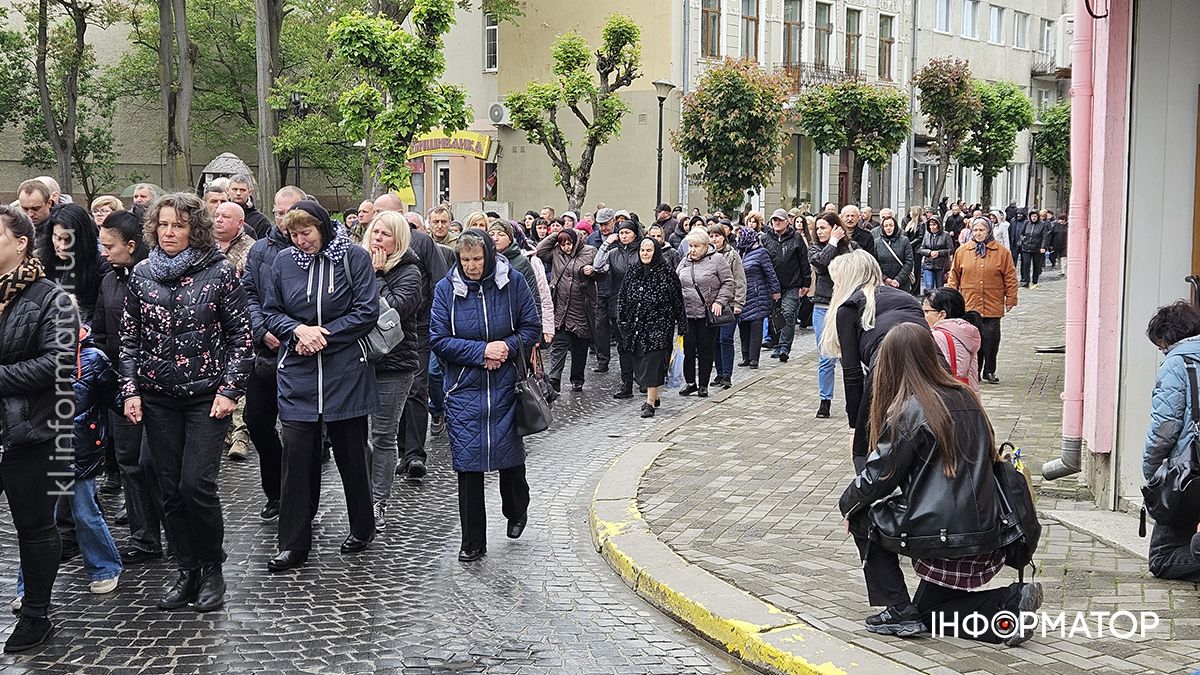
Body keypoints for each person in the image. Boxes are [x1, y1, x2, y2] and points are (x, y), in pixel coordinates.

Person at [839, 323, 1044, 645]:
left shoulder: (908, 410)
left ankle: (897, 610)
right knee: (928, 614)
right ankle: (1007, 605)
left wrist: (847, 506)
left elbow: (877, 478)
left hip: (945, 539)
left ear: (889, 364)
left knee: (864, 519)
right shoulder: (965, 395)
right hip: (987, 531)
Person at [119, 192, 253, 612]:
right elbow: (128, 339)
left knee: (197, 485)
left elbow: (241, 339)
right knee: (169, 490)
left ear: (193, 228)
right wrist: (130, 390)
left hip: (205, 397)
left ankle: (213, 568)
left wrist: (230, 390)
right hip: (158, 398)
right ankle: (187, 569)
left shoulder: (219, 273)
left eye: (177, 225)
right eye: (162, 225)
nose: (169, 232)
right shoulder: (141, 274)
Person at [262, 201, 380, 572]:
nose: (301, 241)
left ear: (322, 228)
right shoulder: (282, 262)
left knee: (350, 453)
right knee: (296, 456)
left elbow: (366, 310)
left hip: (344, 369)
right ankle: (293, 543)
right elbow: (269, 310)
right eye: (293, 235)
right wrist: (297, 330)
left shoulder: (354, 258)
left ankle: (362, 524)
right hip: (298, 369)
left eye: (306, 234)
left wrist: (323, 335)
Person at [429, 230, 540, 562]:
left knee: (510, 457)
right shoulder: (446, 289)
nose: (472, 266)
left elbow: (531, 327)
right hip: (464, 386)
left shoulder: (514, 282)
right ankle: (472, 540)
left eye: (477, 259)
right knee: (468, 467)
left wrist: (505, 347)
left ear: (489, 256)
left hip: (507, 384)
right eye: (465, 260)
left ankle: (516, 508)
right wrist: (480, 352)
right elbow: (438, 338)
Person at [0, 205, 78, 652]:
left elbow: (59, 364)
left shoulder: (53, 298)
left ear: (22, 242)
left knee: (33, 528)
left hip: (31, 430)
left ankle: (35, 615)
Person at [95, 211, 162, 565]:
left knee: (157, 464)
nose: (104, 252)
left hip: (157, 385)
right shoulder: (109, 278)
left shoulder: (155, 279)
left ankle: (178, 532)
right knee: (129, 461)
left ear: (131, 246)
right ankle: (145, 537)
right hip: (121, 385)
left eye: (110, 246)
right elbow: (102, 331)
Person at [820, 250, 925, 472]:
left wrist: (854, 429)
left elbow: (852, 375)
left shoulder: (849, 307)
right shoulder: (907, 297)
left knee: (866, 454)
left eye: (836, 282)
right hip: (929, 361)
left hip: (885, 363)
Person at [240, 186, 306, 523]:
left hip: (300, 354)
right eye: (278, 212)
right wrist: (260, 330)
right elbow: (248, 293)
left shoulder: (311, 247)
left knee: (299, 433)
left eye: (289, 211)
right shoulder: (260, 250)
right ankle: (275, 490)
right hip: (264, 352)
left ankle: (297, 499)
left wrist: (292, 332)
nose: (283, 218)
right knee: (257, 422)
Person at [361, 211, 424, 530]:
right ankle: (361, 495)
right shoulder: (360, 264)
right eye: (374, 232)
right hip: (358, 362)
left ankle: (377, 501)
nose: (377, 239)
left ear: (398, 239)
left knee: (383, 435)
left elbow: (395, 312)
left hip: (395, 365)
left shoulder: (410, 271)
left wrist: (377, 275)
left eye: (385, 234)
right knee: (357, 436)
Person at [1142, 302, 1200, 581]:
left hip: (1188, 473)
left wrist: (1152, 473)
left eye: (1161, 345)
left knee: (1161, 560)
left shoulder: (1177, 363)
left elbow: (1164, 428)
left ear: (1168, 338)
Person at [617, 238, 687, 418]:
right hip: (637, 325)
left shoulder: (667, 273)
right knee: (641, 361)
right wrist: (622, 319)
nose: (645, 254)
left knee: (652, 362)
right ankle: (654, 395)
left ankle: (649, 403)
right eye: (642, 250)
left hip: (660, 325)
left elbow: (678, 301)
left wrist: (682, 325)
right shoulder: (633, 271)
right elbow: (623, 296)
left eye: (649, 250)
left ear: (655, 252)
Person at [947, 218, 1018, 385]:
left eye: (982, 230)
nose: (978, 233)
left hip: (992, 302)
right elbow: (954, 275)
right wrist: (950, 297)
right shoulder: (963, 251)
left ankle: (989, 370)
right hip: (970, 303)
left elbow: (1010, 277)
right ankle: (974, 372)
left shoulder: (1002, 252)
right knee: (972, 340)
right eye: (976, 230)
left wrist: (1011, 298)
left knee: (991, 340)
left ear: (989, 231)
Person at [536, 228, 599, 392]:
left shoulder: (590, 251)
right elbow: (540, 251)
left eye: (569, 243)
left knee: (580, 346)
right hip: (561, 306)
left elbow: (602, 270)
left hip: (581, 306)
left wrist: (592, 271)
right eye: (562, 244)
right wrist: (555, 235)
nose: (566, 247)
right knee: (559, 344)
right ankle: (554, 379)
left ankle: (577, 379)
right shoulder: (556, 252)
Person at [808, 213, 858, 418]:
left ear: (835, 227)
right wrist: (833, 242)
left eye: (823, 228)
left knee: (850, 356)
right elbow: (820, 265)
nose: (819, 232)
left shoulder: (851, 247)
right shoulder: (815, 249)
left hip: (846, 306)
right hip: (823, 306)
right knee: (826, 355)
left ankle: (854, 399)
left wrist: (839, 242)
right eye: (817, 228)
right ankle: (825, 400)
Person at [676, 228, 735, 398]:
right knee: (688, 348)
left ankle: (703, 384)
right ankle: (690, 382)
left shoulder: (717, 260)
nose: (692, 250)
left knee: (705, 349)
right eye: (690, 246)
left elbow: (728, 282)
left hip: (707, 313)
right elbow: (676, 279)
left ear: (705, 246)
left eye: (696, 246)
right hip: (687, 313)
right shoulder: (685, 261)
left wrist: (719, 301)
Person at [593, 217, 642, 397]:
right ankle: (626, 384)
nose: (623, 236)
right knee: (623, 346)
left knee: (639, 344)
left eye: (627, 232)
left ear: (635, 234)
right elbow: (598, 266)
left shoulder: (642, 251)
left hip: (639, 304)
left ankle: (644, 379)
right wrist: (606, 244)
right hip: (618, 304)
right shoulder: (614, 253)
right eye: (621, 232)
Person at [760, 208, 812, 363]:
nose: (777, 222)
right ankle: (776, 344)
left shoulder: (796, 238)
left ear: (787, 222)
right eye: (774, 220)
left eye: (780, 220)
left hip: (792, 284)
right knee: (775, 316)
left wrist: (806, 282)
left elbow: (804, 261)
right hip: (772, 285)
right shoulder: (765, 238)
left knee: (788, 314)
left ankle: (784, 347)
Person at [38, 204, 104, 323]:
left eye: (68, 240)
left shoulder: (100, 264)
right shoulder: (40, 261)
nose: (62, 247)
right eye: (57, 238)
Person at [734, 227, 779, 371]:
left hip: (757, 294)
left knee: (755, 326)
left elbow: (770, 273)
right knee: (743, 327)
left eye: (741, 235)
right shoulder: (740, 252)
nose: (739, 238)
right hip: (742, 295)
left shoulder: (761, 252)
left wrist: (775, 290)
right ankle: (745, 356)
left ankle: (754, 358)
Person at [923, 287, 983, 393]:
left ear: (942, 314)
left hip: (944, 396)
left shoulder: (938, 337)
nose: (924, 316)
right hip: (966, 394)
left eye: (927, 311)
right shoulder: (966, 333)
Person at [709, 224, 746, 388]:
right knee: (715, 340)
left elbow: (740, 280)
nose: (714, 239)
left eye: (717, 236)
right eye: (711, 236)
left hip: (729, 304)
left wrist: (739, 302)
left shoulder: (732, 255)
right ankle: (719, 372)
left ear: (724, 237)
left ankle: (727, 375)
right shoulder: (708, 255)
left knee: (726, 338)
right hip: (712, 304)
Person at [874, 214, 915, 294]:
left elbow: (909, 262)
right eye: (886, 226)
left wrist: (898, 279)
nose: (888, 228)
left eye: (891, 225)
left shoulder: (904, 241)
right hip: (883, 284)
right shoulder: (876, 243)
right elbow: (874, 263)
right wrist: (885, 278)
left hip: (902, 283)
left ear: (895, 226)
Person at [1016, 210, 1053, 289]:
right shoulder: (1026, 223)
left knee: (1036, 266)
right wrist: (1023, 239)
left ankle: (1035, 281)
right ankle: (1026, 281)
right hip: (1026, 247)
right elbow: (1022, 233)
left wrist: (1043, 247)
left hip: (1037, 248)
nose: (1033, 218)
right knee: (1026, 264)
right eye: (1032, 216)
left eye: (1035, 216)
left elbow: (1044, 236)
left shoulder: (1042, 225)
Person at [917, 215, 954, 292]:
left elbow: (951, 250)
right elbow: (921, 249)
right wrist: (929, 252)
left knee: (939, 288)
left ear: (938, 225)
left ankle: (939, 303)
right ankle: (928, 302)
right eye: (930, 225)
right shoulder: (927, 235)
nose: (932, 227)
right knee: (929, 286)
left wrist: (939, 253)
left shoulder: (945, 235)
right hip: (928, 264)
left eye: (934, 225)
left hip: (941, 266)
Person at [227, 174, 271, 239]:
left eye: (242, 190)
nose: (238, 193)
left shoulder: (260, 220)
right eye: (235, 189)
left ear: (249, 192)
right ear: (227, 191)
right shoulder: (219, 215)